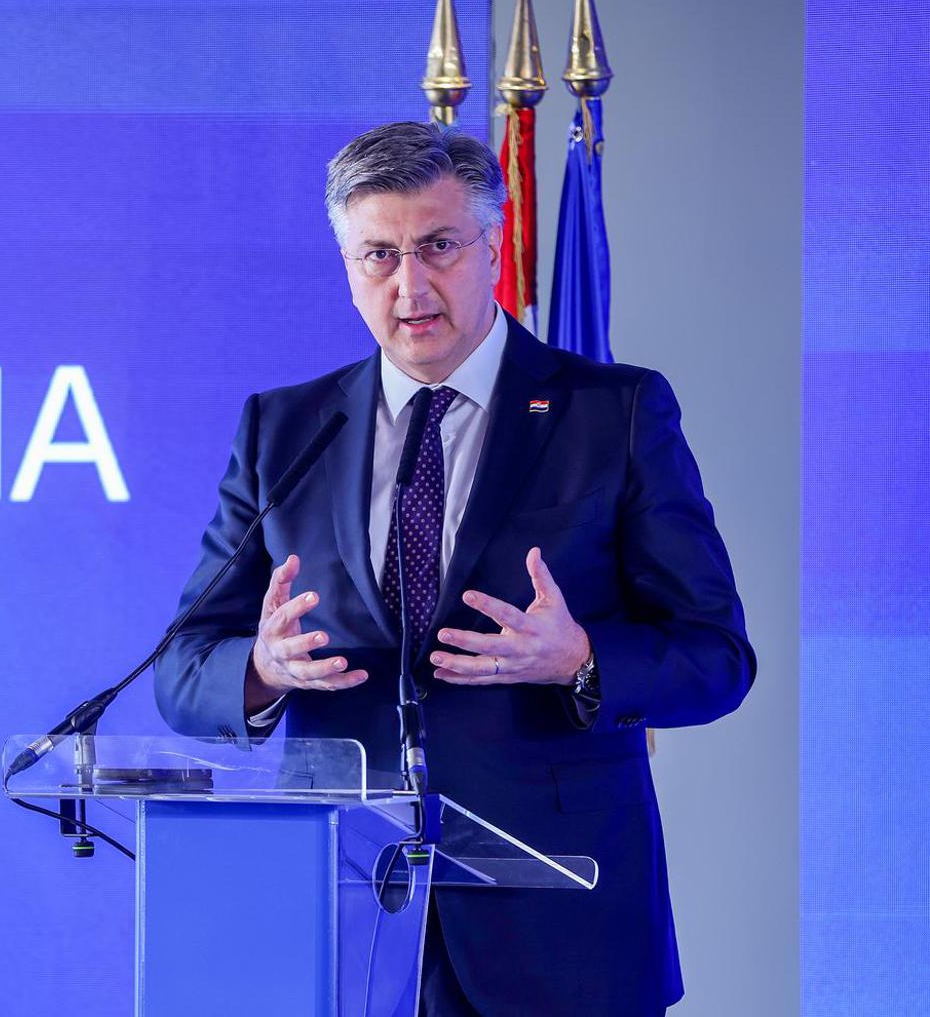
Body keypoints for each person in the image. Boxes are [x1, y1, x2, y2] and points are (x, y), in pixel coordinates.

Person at [153, 121, 754, 1015]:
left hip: (563, 930)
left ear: (493, 248)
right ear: (348, 267)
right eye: (379, 256)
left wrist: (581, 659)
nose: (410, 285)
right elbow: (182, 668)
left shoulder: (613, 413)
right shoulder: (283, 430)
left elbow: (717, 658)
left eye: (437, 246)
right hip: (349, 927)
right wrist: (262, 669)